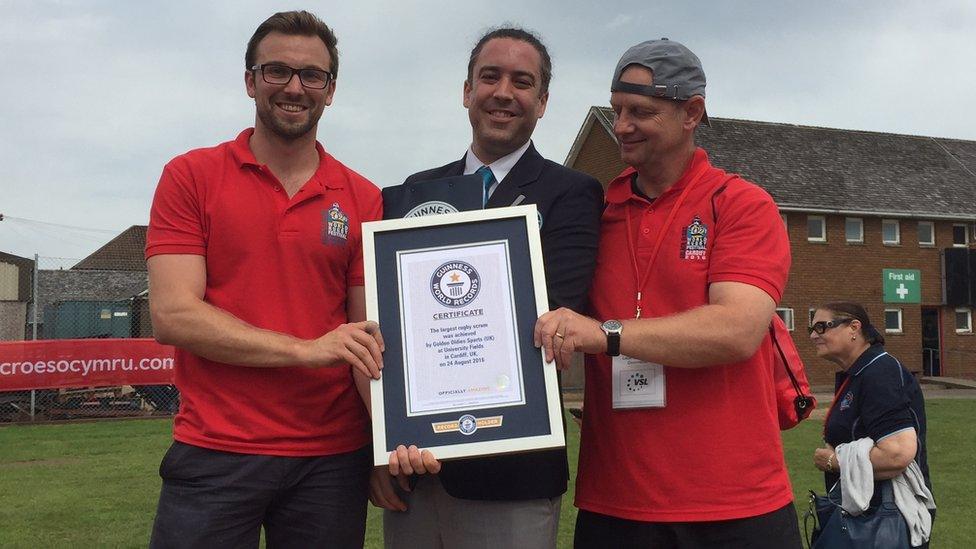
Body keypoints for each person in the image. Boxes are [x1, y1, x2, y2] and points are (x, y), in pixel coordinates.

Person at [534, 39, 802, 548]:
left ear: (691, 113)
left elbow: (737, 330)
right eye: (617, 111)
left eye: (642, 111)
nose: (623, 125)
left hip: (736, 506)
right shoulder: (596, 214)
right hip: (615, 505)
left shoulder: (741, 203)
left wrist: (605, 334)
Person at [145, 11, 383, 548]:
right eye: (277, 71)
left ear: (331, 90)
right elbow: (173, 315)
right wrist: (307, 350)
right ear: (251, 80)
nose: (295, 87)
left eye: (312, 75)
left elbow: (367, 334)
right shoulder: (190, 176)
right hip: (216, 449)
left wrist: (391, 441)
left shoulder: (363, 197)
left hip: (329, 459)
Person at [373, 27, 604, 548]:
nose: (503, 92)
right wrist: (385, 439)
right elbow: (393, 323)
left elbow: (558, 307)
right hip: (417, 466)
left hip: (513, 471)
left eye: (522, 82)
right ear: (466, 91)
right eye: (490, 77)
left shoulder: (572, 193)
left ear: (542, 102)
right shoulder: (415, 191)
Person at [809, 302, 934, 547]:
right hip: (863, 513)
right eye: (811, 329)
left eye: (823, 327)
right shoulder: (859, 372)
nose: (814, 335)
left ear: (854, 327)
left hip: (883, 519)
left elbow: (897, 453)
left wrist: (833, 461)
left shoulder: (879, 371)